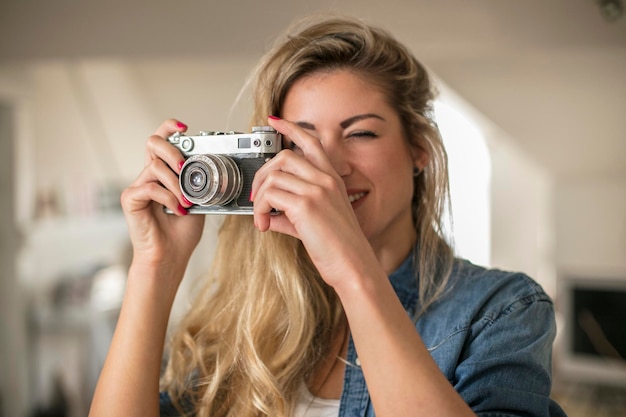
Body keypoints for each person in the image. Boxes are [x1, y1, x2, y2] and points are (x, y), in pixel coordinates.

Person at [89, 14, 567, 417]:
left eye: (360, 134)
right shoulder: (242, 318)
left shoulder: (501, 311)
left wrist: (352, 267)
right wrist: (155, 267)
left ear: (418, 149)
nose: (329, 169)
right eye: (301, 141)